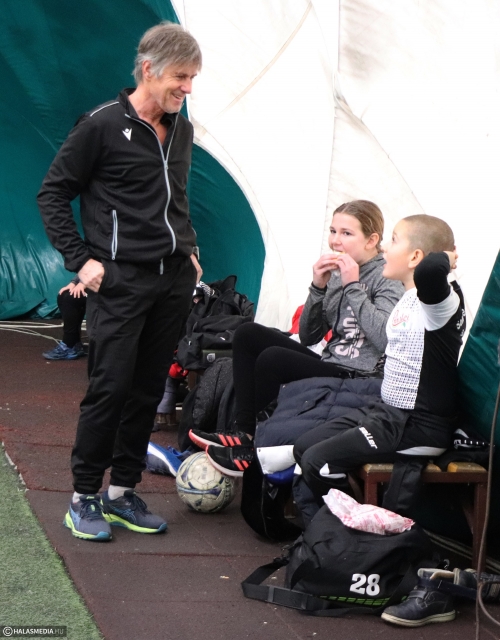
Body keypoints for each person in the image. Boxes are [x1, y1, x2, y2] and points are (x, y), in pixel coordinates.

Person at [37, 22, 203, 541]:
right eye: (180, 77)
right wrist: (80, 260)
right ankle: (83, 496)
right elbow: (52, 194)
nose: (188, 88)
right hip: (119, 281)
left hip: (172, 280)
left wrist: (189, 247)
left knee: (148, 390)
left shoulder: (181, 128)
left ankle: (121, 493)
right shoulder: (101, 125)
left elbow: (175, 197)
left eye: (193, 78)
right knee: (109, 388)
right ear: (149, 70)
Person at [190, 200, 405, 476]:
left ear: (371, 240)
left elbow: (385, 338)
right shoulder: (337, 274)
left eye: (346, 233)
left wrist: (352, 285)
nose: (335, 241)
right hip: (331, 363)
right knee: (247, 334)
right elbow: (308, 335)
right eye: (333, 231)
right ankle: (243, 433)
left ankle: (253, 446)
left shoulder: (386, 276)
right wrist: (318, 287)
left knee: (273, 359)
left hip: (360, 376)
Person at [293, 215, 465, 528]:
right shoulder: (408, 296)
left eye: (394, 240)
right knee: (303, 447)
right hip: (388, 413)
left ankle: (359, 535)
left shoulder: (440, 303)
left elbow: (431, 269)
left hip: (417, 424)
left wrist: (447, 257)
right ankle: (334, 533)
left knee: (319, 463)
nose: (384, 246)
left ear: (415, 257)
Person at [43, 277, 87, 360]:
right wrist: (73, 283)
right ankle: (75, 343)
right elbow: (85, 271)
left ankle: (69, 344)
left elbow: (101, 270)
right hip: (93, 283)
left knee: (71, 298)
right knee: (64, 295)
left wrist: (83, 284)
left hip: (107, 287)